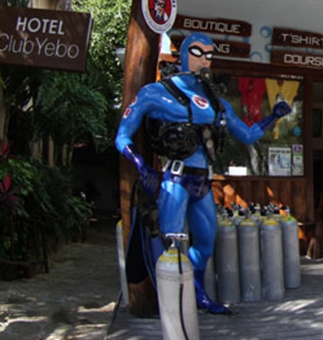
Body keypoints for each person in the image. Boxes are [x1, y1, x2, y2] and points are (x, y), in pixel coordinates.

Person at [115, 31, 291, 314]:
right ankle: (171, 302)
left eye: (209, 55)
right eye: (197, 52)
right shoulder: (155, 92)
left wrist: (274, 116)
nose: (204, 60)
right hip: (175, 178)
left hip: (203, 180)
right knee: (169, 242)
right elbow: (122, 136)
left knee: (206, 243)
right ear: (183, 55)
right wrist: (140, 164)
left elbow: (246, 135)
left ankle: (196, 293)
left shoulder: (214, 101)